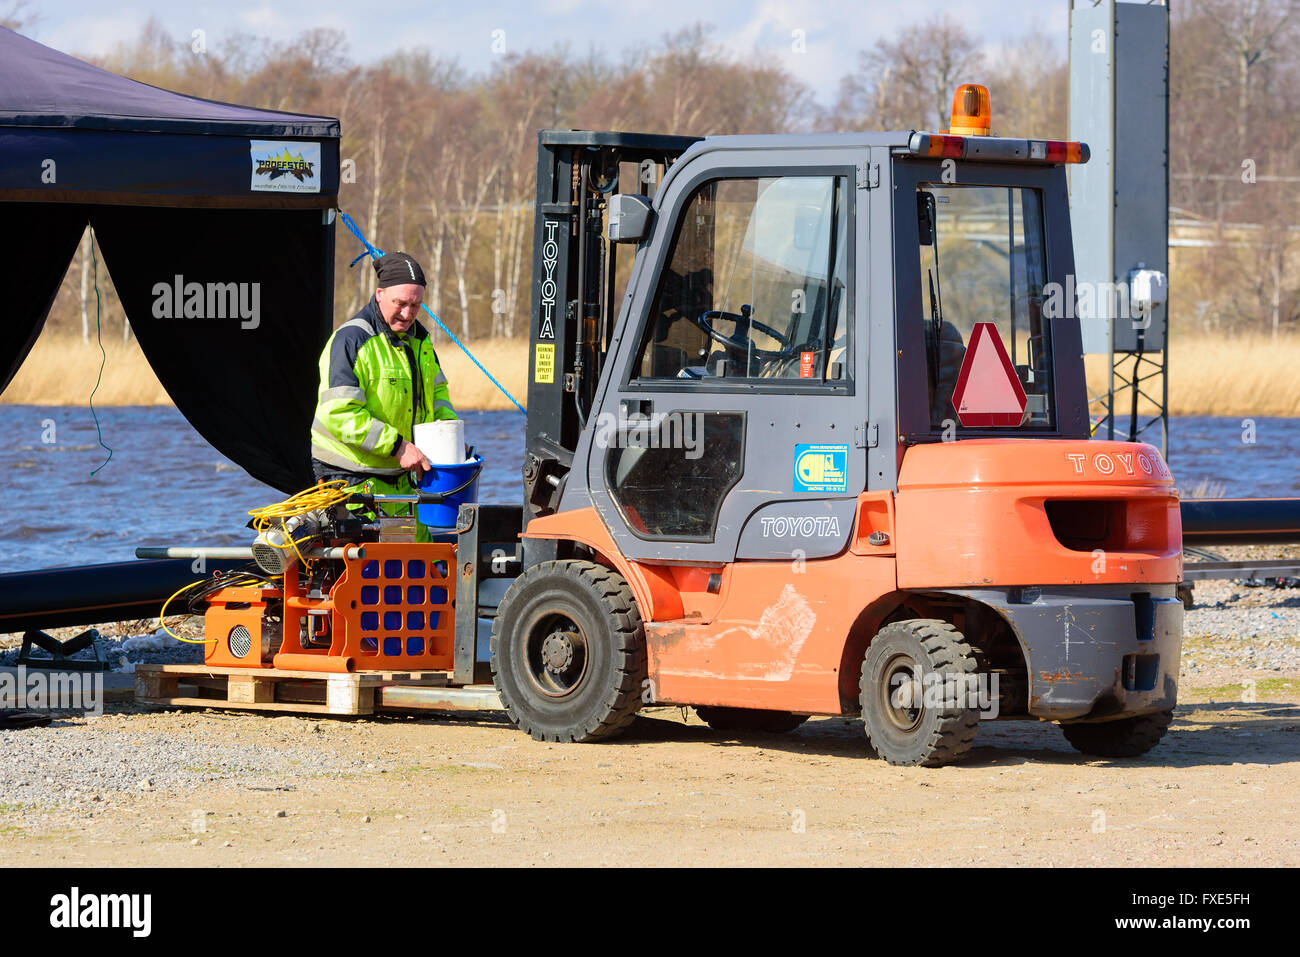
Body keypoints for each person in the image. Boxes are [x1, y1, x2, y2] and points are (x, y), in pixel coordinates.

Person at [309, 251, 457, 536]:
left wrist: (449, 436)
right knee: (372, 570)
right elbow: (339, 414)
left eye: (416, 305)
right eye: (400, 303)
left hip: (402, 477)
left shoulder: (421, 342)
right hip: (349, 479)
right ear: (379, 294)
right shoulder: (350, 340)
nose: (408, 313)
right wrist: (398, 446)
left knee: (418, 562)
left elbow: (438, 395)